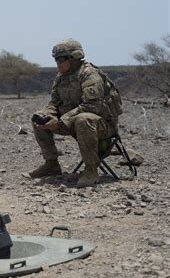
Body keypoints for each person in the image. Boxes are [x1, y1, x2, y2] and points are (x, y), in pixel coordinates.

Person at [26, 38, 123, 187]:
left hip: (102, 125)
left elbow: (93, 106)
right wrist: (49, 116)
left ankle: (91, 170)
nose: (57, 63)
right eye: (55, 59)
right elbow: (54, 102)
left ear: (74, 57)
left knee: (83, 119)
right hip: (70, 122)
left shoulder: (89, 74)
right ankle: (51, 164)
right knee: (39, 117)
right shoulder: (61, 78)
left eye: (61, 59)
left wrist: (60, 121)